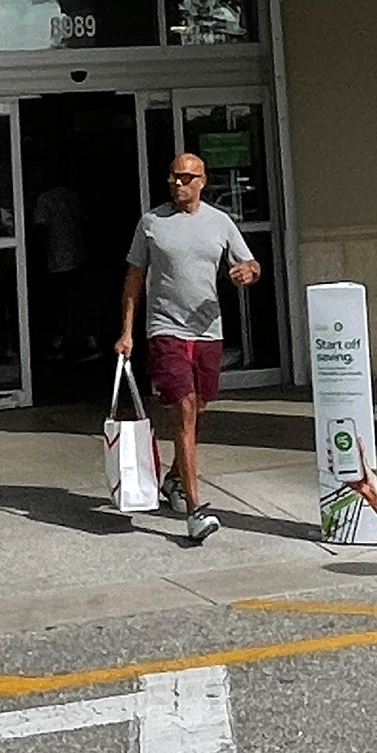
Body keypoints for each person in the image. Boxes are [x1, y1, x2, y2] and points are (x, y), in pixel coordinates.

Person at [118, 150, 260, 546]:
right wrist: (127, 332)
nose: (178, 184)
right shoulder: (152, 223)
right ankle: (196, 511)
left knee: (198, 409)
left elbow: (251, 264)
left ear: (202, 181)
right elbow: (134, 278)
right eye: (173, 177)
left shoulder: (220, 222)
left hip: (208, 332)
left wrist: (246, 273)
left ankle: (175, 479)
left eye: (186, 178)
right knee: (183, 408)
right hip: (165, 329)